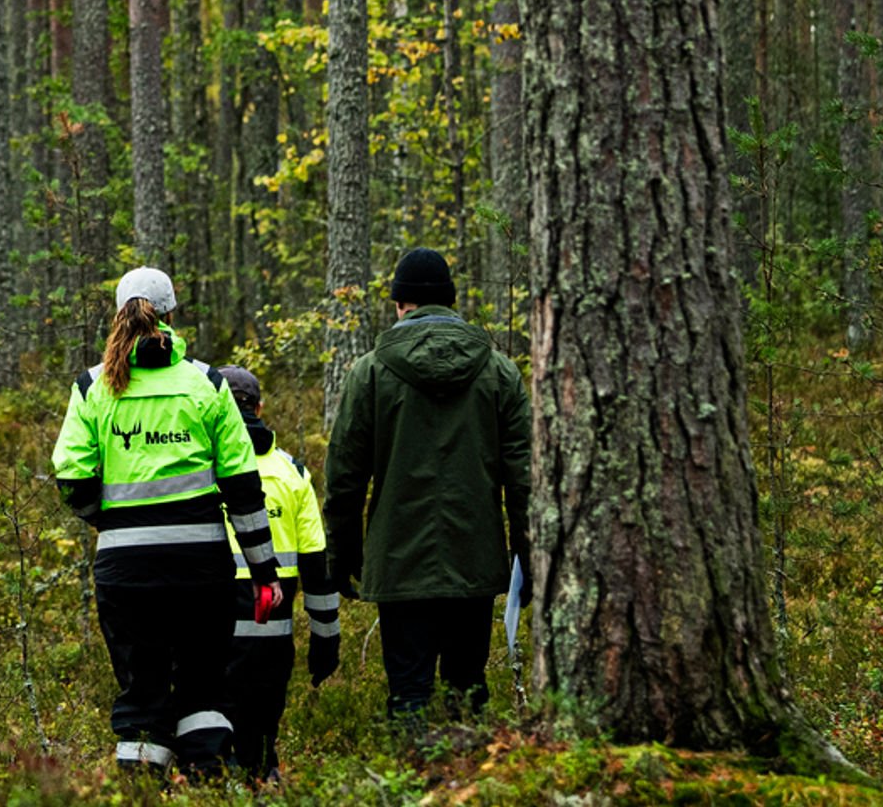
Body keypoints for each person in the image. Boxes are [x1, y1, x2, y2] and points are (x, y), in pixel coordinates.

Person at [52, 267, 282, 776]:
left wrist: (110, 524)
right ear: (173, 316)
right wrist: (264, 573)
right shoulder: (207, 384)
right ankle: (207, 784)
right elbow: (244, 487)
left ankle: (141, 792)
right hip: (202, 570)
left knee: (143, 691)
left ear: (118, 316)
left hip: (125, 572)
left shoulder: (93, 386)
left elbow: (71, 478)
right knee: (203, 687)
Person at [321, 246, 530, 722]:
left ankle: (412, 785)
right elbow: (524, 478)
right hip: (474, 557)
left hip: (399, 560)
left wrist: (344, 557)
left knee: (409, 694)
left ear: (400, 304)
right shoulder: (498, 371)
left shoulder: (370, 372)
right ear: (451, 302)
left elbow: (345, 478)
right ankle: (474, 784)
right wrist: (529, 556)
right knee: (468, 688)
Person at [210, 364, 338, 781]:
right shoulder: (294, 473)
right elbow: (317, 565)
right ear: (260, 408)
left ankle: (219, 782)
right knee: (264, 712)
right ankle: (263, 773)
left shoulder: (200, 466)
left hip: (212, 619)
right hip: (273, 624)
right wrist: (326, 636)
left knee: (211, 709)